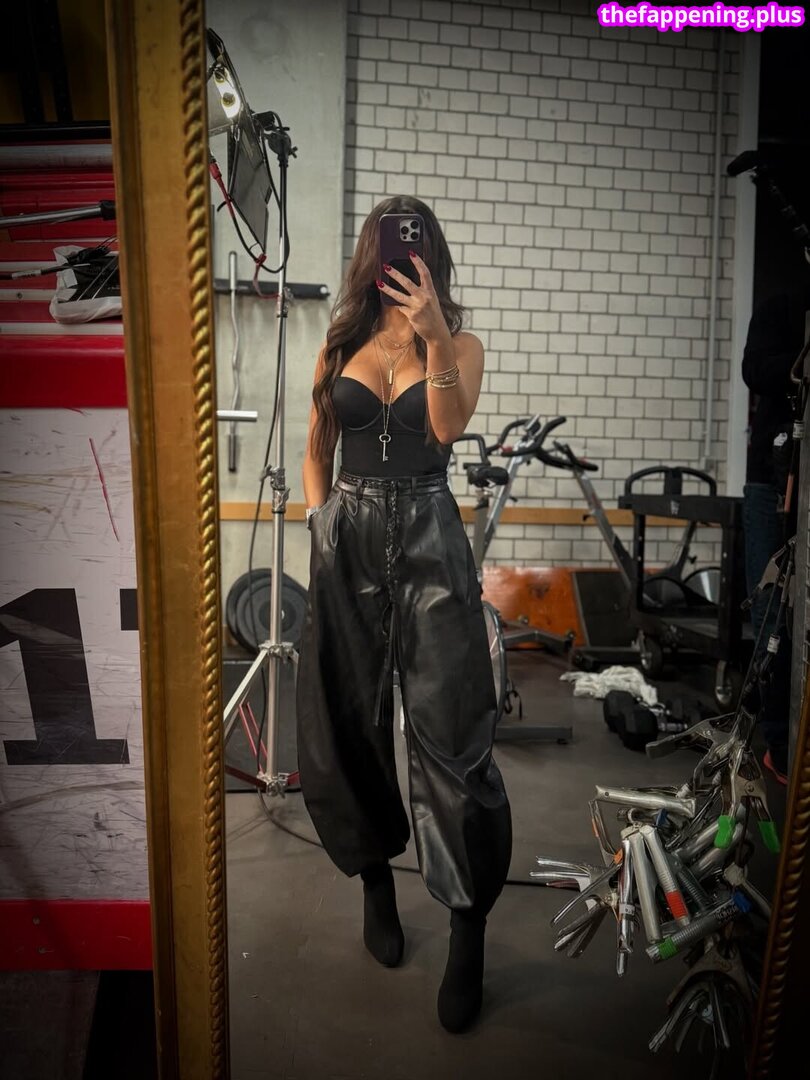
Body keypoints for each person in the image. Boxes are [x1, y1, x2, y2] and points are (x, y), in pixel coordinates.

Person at [295, 196, 513, 1033]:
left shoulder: (460, 342)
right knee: (345, 720)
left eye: (416, 247)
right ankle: (376, 882)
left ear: (432, 258)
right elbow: (317, 445)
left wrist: (432, 336)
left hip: (429, 531)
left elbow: (447, 430)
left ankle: (467, 928)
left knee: (453, 730)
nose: (403, 259)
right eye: (391, 245)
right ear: (372, 255)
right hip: (347, 536)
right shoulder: (341, 342)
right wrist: (320, 524)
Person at [741, 282, 809, 784]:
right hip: (772, 478)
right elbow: (754, 370)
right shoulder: (781, 308)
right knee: (770, 610)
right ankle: (779, 744)